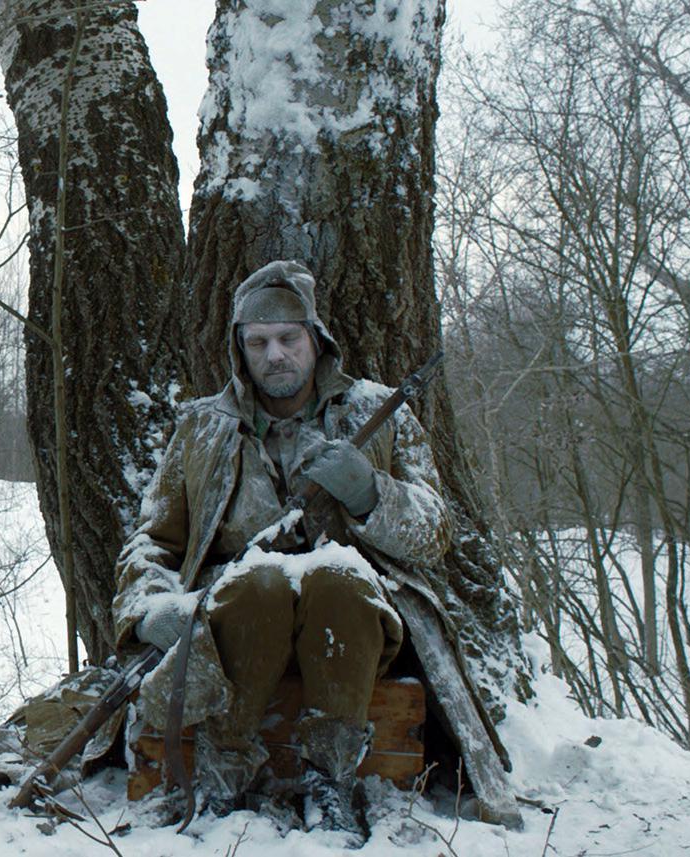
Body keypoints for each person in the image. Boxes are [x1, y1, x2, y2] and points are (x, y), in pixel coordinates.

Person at [111, 260, 456, 844]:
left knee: (336, 579)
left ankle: (330, 782)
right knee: (259, 582)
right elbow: (153, 540)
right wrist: (151, 607)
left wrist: (373, 494)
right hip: (237, 625)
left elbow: (437, 534)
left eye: (288, 339)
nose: (275, 354)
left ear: (316, 339)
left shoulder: (379, 412)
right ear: (239, 349)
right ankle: (226, 772)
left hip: (353, 633)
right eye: (258, 342)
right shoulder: (201, 427)